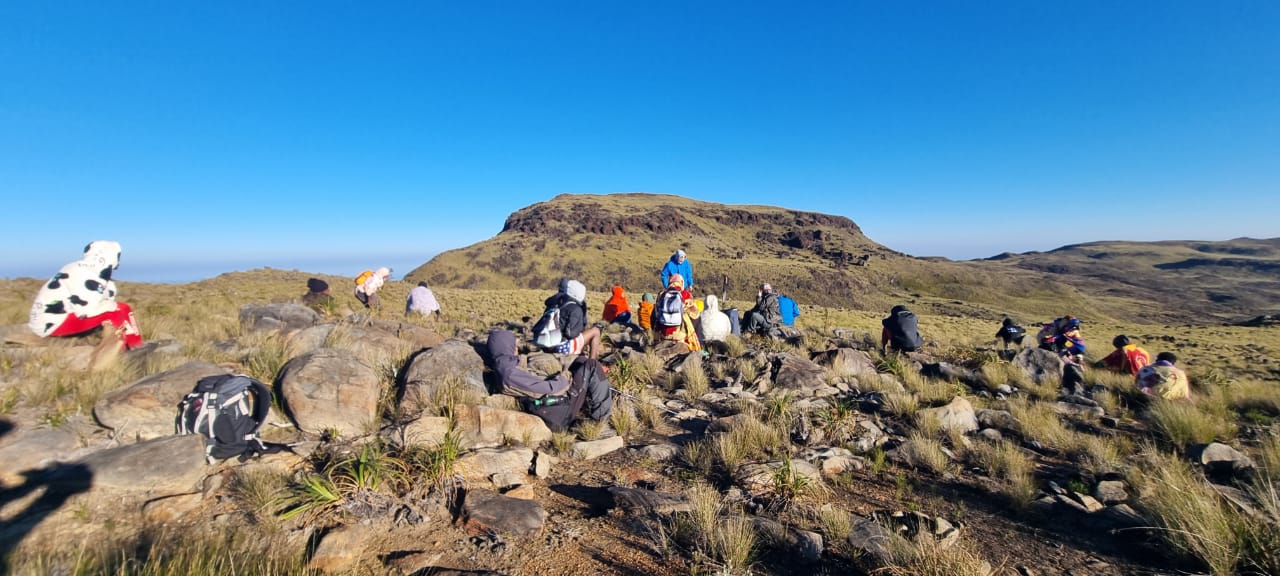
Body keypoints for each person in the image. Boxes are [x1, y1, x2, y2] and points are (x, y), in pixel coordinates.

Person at [486, 329, 611, 431]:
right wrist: (566, 376)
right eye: (514, 345)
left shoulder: (506, 364)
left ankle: (589, 407)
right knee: (591, 365)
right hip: (560, 409)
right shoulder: (510, 374)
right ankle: (600, 422)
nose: (517, 349)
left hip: (556, 402)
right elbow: (552, 389)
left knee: (581, 362)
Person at [29, 240, 143, 352]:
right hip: (52, 323)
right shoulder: (85, 274)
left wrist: (108, 298)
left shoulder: (84, 269)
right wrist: (109, 305)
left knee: (124, 308)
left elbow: (103, 294)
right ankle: (124, 350)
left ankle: (135, 344)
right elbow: (85, 311)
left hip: (52, 317)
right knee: (114, 312)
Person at [538, 279, 603, 360]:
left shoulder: (555, 303)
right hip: (560, 347)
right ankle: (592, 363)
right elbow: (571, 334)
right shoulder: (575, 308)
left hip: (545, 343)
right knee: (595, 331)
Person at [655, 274, 702, 352]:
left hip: (662, 334)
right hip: (680, 334)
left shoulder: (661, 294)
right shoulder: (685, 294)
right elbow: (695, 314)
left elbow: (656, 313)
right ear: (682, 282)